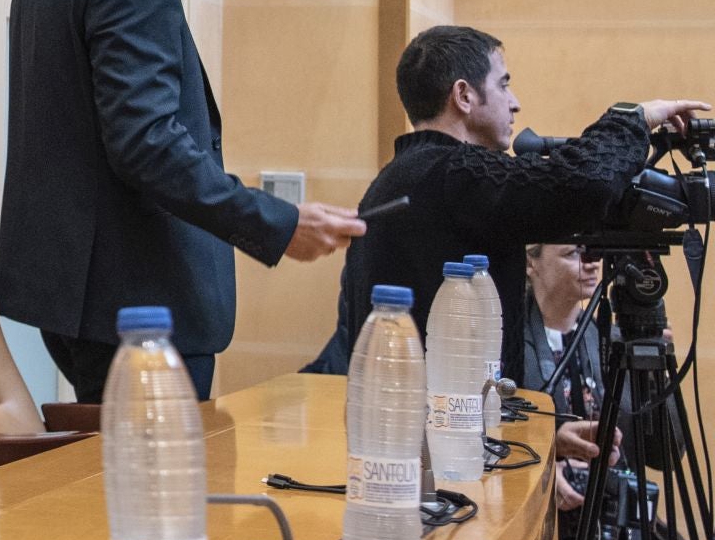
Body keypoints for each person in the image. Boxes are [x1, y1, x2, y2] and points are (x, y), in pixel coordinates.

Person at [0, 0, 366, 402]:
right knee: (160, 498)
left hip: (78, 299)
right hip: (140, 304)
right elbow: (146, 143)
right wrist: (275, 221)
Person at [302, 25, 706, 382]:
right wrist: (633, 118)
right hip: (449, 442)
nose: (514, 103)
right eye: (503, 85)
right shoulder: (457, 172)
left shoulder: (400, 175)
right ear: (463, 95)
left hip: (420, 432)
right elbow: (583, 184)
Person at [523, 242, 609, 424]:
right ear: (531, 263)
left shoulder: (608, 338)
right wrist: (555, 440)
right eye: (573, 253)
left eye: (592, 251)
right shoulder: (509, 344)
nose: (592, 263)